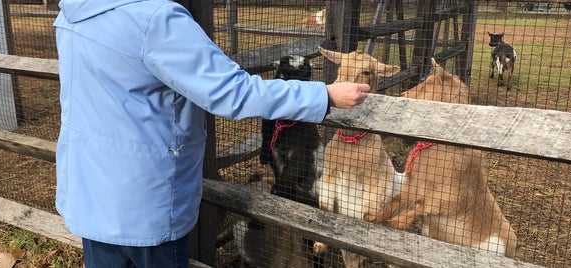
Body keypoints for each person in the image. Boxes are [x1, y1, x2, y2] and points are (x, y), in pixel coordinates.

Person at [53, 0, 369, 267]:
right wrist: (322, 97)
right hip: (143, 204)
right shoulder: (155, 20)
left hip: (90, 195)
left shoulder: (73, 13)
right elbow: (232, 92)